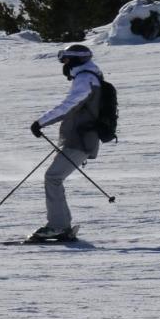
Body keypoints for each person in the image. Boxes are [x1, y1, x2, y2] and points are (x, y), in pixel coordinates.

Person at [29, 44, 103, 241]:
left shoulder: (85, 78)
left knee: (53, 177)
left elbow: (70, 105)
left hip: (80, 140)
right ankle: (62, 225)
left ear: (76, 60)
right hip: (78, 138)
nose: (64, 65)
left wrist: (41, 122)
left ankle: (58, 226)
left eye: (66, 60)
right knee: (53, 177)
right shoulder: (90, 76)